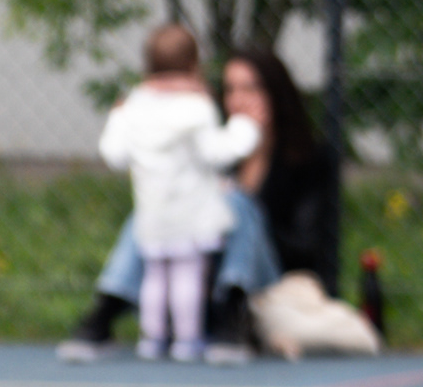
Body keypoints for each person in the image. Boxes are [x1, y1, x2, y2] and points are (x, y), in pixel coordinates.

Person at [59, 42, 321, 363]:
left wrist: (235, 214)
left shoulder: (306, 160)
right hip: (197, 270)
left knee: (236, 203)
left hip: (266, 279)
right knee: (156, 210)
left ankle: (232, 309)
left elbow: (306, 247)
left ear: (275, 93)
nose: (238, 100)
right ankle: (107, 307)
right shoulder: (214, 146)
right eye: (231, 89)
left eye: (250, 89)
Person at [87, 24, 259, 361]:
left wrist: (116, 118)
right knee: (187, 277)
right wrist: (245, 127)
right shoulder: (197, 107)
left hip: (152, 214)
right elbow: (216, 153)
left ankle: (152, 339)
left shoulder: (135, 107)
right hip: (192, 216)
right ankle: (187, 340)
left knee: (155, 277)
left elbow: (114, 155)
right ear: (194, 64)